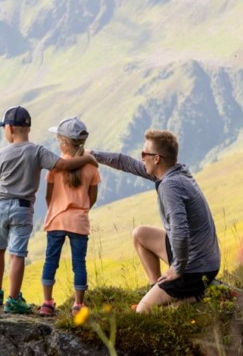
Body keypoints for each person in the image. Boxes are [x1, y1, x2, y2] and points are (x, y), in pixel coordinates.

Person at [0, 106, 98, 314]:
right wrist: (87, 159)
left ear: (11, 128)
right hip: (23, 207)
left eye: (4, 128)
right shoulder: (37, 151)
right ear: (28, 128)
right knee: (17, 254)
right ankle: (14, 299)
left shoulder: (0, 153)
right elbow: (63, 165)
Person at [91, 129, 220, 313]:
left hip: (194, 268)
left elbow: (179, 230)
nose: (141, 157)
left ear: (157, 159)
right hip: (205, 259)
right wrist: (94, 156)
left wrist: (177, 267)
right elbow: (125, 162)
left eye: (144, 154)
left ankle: (195, 296)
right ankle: (156, 287)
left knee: (143, 311)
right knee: (140, 234)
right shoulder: (176, 171)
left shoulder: (170, 186)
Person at [38, 116, 99, 316]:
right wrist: (80, 210)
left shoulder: (56, 167)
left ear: (64, 142)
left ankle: (47, 302)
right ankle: (78, 305)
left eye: (58, 139)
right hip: (79, 221)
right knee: (79, 264)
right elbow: (92, 197)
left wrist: (55, 208)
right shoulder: (91, 167)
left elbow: (48, 195)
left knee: (50, 261)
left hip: (57, 219)